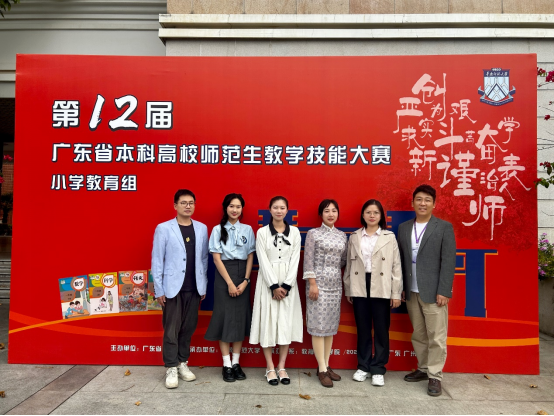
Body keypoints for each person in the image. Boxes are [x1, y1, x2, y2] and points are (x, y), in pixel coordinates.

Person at [397, 185, 456, 397]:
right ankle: (423, 369)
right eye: (419, 199)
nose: (423, 203)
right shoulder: (404, 228)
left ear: (434, 204)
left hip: (433, 291)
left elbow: (448, 261)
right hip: (411, 291)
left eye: (427, 200)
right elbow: (400, 260)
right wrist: (401, 288)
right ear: (412, 202)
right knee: (419, 334)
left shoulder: (444, 227)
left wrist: (444, 290)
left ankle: (435, 376)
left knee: (436, 336)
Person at [151, 189, 209, 390]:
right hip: (171, 288)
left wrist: (203, 284)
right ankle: (170, 366)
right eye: (183, 203)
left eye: (191, 202)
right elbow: (157, 260)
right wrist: (159, 289)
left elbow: (203, 258)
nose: (187, 206)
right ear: (175, 205)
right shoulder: (164, 228)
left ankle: (182, 362)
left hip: (194, 287)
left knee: (188, 328)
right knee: (171, 330)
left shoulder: (201, 228)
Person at [344, 199, 403, 387]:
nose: (372, 215)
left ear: (381, 216)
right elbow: (349, 264)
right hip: (359, 284)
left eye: (376, 212)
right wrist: (349, 288)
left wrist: (396, 293)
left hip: (382, 284)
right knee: (362, 328)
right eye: (368, 212)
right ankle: (363, 366)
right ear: (363, 215)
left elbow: (396, 266)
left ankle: (378, 368)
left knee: (381, 328)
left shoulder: (389, 237)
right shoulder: (354, 236)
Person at [250, 196, 303, 386]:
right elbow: (262, 260)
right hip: (267, 282)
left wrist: (286, 286)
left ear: (287, 210)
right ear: (270, 209)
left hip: (289, 283)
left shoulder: (295, 232)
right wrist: (273, 285)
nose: (279, 211)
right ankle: (270, 367)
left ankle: (282, 366)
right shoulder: (262, 232)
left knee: (285, 323)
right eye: (275, 207)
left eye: (282, 208)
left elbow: (295, 259)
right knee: (267, 322)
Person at [205, 193, 256, 383]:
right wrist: (229, 283)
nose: (235, 210)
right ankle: (226, 364)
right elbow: (216, 259)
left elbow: (250, 256)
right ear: (225, 208)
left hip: (243, 275)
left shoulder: (248, 229)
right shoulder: (217, 229)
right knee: (225, 318)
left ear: (242, 209)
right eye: (231, 206)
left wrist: (245, 280)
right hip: (223, 276)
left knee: (240, 318)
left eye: (238, 207)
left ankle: (236, 363)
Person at [303, 199, 347, 388]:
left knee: (329, 327)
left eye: (334, 211)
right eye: (327, 211)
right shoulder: (313, 234)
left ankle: (326, 365)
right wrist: (313, 283)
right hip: (317, 285)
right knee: (318, 326)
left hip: (335, 285)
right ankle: (321, 369)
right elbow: (308, 260)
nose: (331, 214)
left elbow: (343, 260)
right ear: (321, 214)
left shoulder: (342, 235)